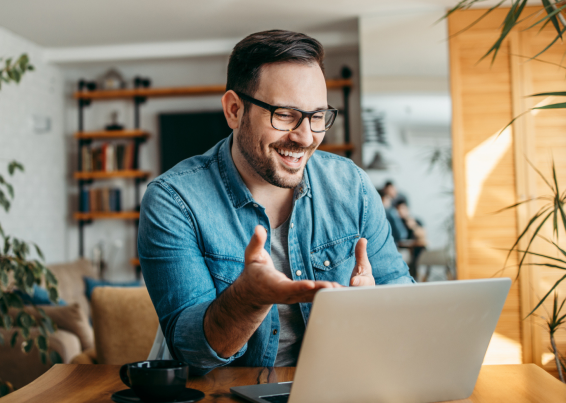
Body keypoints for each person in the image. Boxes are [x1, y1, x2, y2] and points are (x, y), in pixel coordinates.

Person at [138, 30, 413, 376]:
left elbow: (402, 298)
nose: (305, 137)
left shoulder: (351, 185)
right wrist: (247, 300)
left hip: (335, 387)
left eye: (317, 116)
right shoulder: (173, 201)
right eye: (284, 115)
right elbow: (191, 352)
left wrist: (373, 310)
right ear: (235, 110)